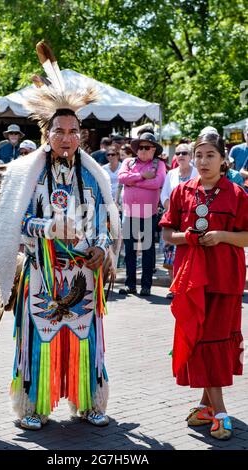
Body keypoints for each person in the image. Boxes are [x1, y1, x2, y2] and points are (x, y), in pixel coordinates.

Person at [0, 42, 120, 431]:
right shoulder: (27, 173)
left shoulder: (94, 176)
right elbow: (14, 220)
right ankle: (32, 405)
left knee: (85, 341)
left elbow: (104, 216)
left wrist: (99, 246)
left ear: (82, 135)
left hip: (82, 273)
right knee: (37, 339)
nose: (66, 138)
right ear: (47, 133)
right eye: (59, 131)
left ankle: (88, 401)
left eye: (73, 131)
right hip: (41, 272)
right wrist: (46, 228)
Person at [160, 131, 248, 441]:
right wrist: (189, 237)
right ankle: (206, 406)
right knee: (198, 339)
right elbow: (169, 233)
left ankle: (219, 410)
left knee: (215, 341)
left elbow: (247, 237)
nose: (203, 161)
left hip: (225, 280)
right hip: (191, 279)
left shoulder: (237, 194)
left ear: (224, 159)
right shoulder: (182, 192)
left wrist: (222, 236)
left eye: (210, 155)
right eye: (199, 155)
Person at [118, 132, 166, 296]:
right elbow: (122, 178)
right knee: (129, 250)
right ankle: (130, 284)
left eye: (147, 147)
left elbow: (157, 183)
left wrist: (134, 183)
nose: (142, 150)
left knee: (147, 250)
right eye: (140, 147)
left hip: (148, 212)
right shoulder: (128, 162)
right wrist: (142, 176)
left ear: (154, 150)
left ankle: (146, 285)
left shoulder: (159, 164)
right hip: (129, 212)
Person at [160, 144, 197, 297]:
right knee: (170, 253)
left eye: (185, 153)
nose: (181, 155)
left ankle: (189, 286)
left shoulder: (197, 173)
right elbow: (164, 195)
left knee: (190, 253)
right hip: (173, 217)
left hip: (192, 218)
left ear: (191, 156)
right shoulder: (171, 174)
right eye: (178, 153)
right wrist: (172, 209)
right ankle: (173, 287)